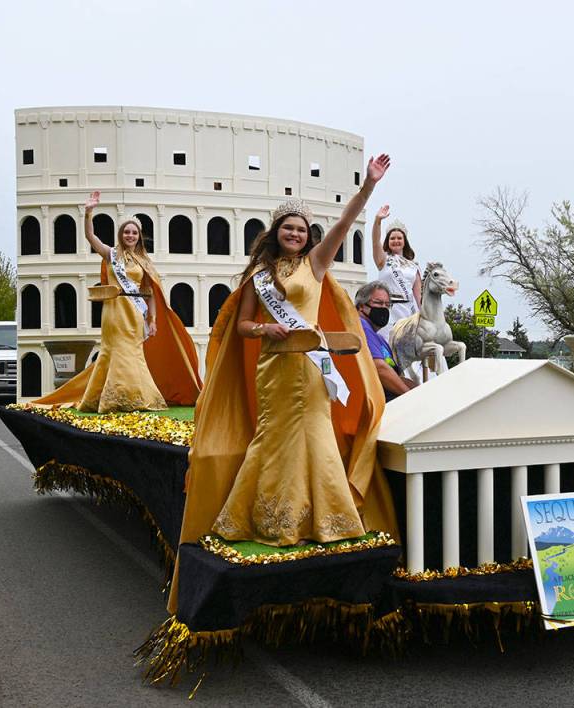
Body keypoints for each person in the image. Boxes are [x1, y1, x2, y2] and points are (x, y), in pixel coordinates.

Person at [168, 155, 401, 610]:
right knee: (273, 440)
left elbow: (344, 222)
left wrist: (368, 187)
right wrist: (263, 330)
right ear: (275, 233)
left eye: (301, 229)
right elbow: (242, 327)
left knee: (315, 436)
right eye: (287, 229)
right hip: (275, 368)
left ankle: (328, 519)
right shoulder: (260, 276)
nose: (295, 235)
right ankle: (270, 521)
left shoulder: (315, 265)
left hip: (311, 368)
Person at [34, 192, 201, 412]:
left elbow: (149, 292)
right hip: (114, 311)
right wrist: (88, 212)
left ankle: (130, 397)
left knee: (133, 351)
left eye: (134, 232)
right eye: (127, 232)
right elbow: (90, 237)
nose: (130, 235)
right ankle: (118, 398)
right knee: (114, 350)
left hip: (134, 311)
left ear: (139, 236)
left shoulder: (143, 261)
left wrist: (153, 320)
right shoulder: (110, 254)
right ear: (121, 234)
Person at [355, 281, 416, 401]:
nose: (383, 308)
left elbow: (395, 375)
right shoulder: (361, 326)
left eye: (387, 304)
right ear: (361, 306)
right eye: (378, 303)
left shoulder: (379, 338)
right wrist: (410, 396)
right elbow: (379, 368)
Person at [371, 205, 421, 339]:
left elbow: (418, 296)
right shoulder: (383, 260)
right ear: (388, 241)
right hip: (388, 310)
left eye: (399, 238)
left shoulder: (413, 266)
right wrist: (377, 221)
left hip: (408, 311)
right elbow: (375, 242)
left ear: (405, 241)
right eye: (392, 238)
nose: (396, 241)